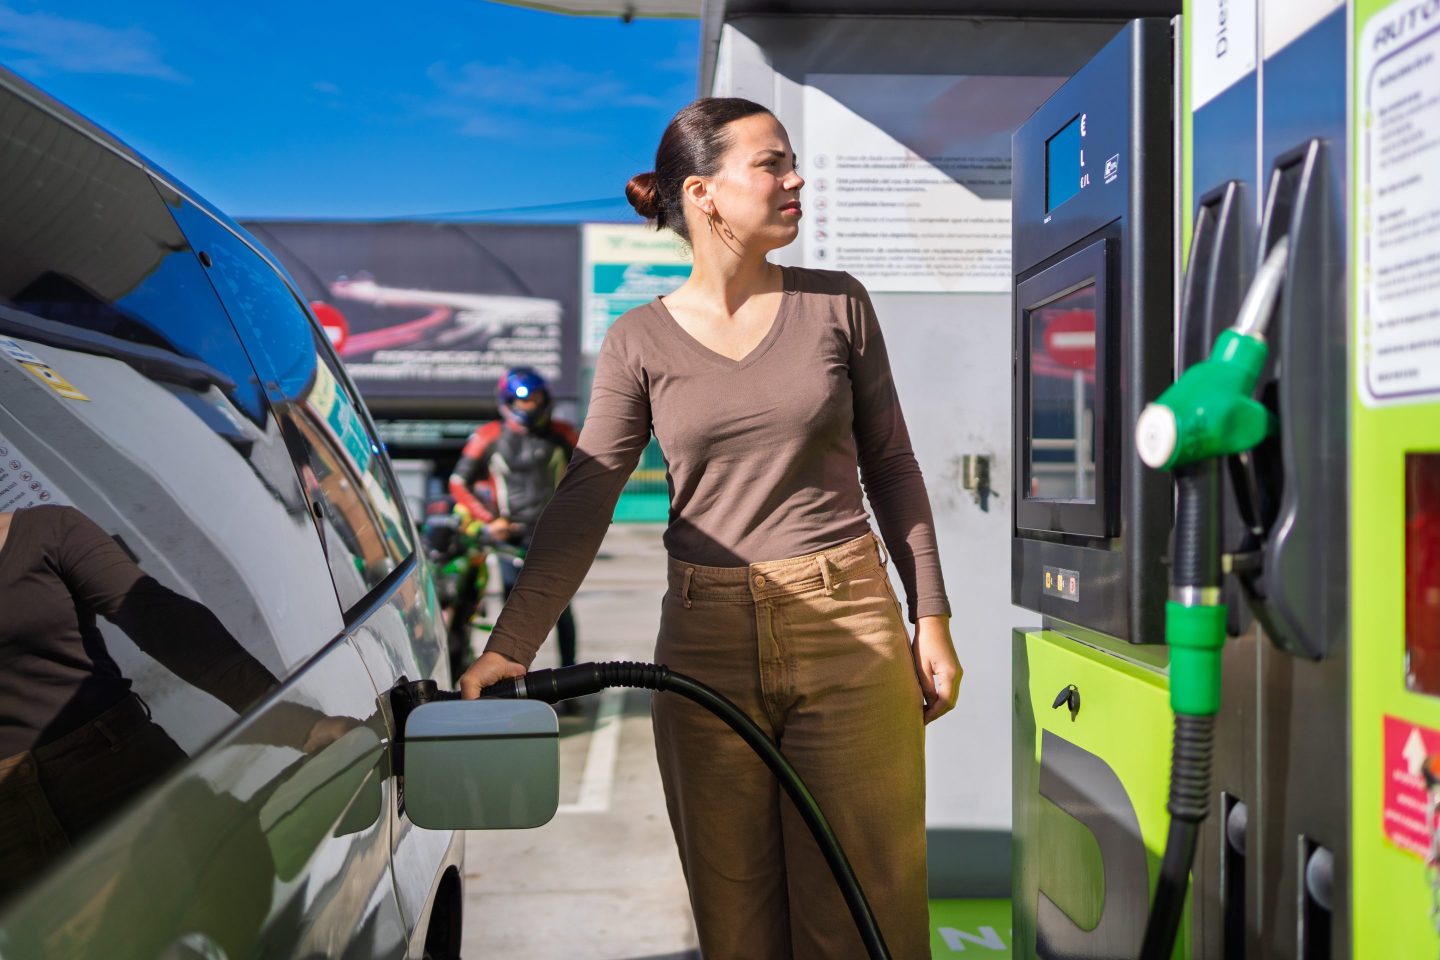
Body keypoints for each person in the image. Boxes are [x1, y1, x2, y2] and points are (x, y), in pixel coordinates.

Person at [459, 97, 961, 959]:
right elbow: (587, 497)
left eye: (791, 161)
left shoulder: (837, 306)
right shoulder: (639, 341)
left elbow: (894, 467)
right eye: (771, 164)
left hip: (849, 630)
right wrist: (513, 643)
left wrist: (932, 616)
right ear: (703, 193)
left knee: (867, 917)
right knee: (737, 927)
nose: (795, 178)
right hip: (705, 644)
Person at [448, 366, 580, 668]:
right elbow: (458, 482)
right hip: (510, 536)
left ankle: (571, 681)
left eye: (535, 399)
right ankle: (515, 683)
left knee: (562, 609)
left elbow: (590, 476)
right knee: (514, 608)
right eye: (523, 400)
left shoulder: (564, 435)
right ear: (509, 402)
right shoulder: (489, 436)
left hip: (553, 535)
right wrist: (489, 520)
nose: (529, 406)